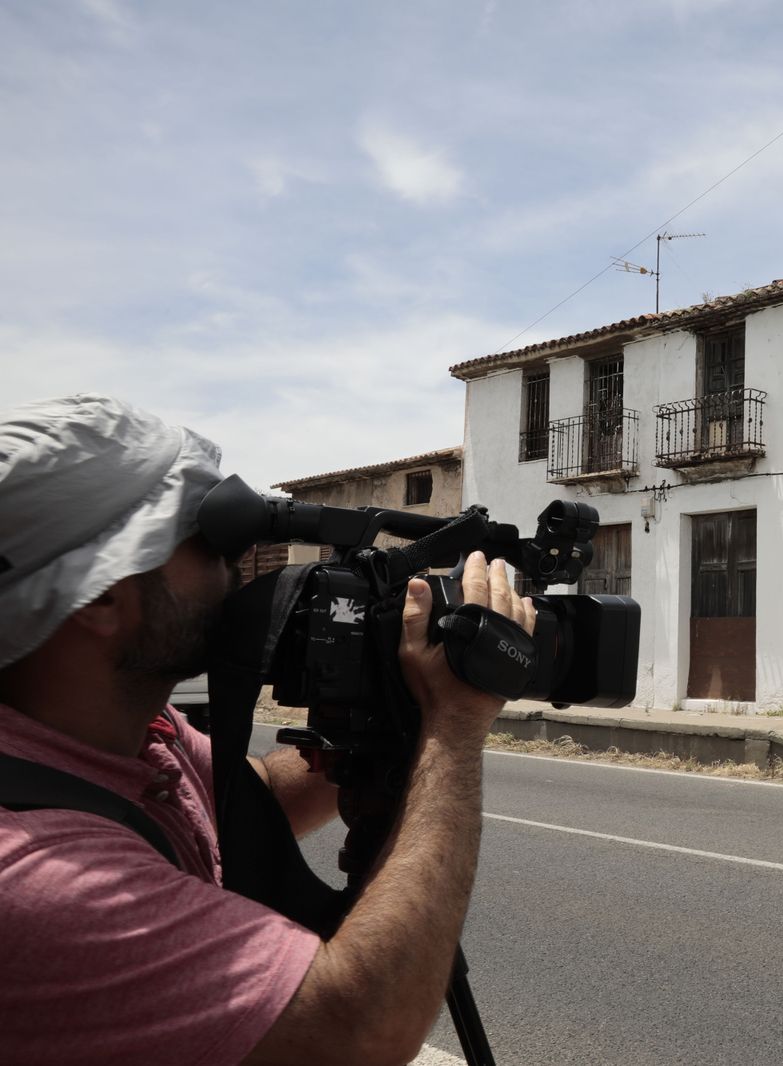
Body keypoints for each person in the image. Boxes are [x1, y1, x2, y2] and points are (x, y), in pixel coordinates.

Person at [0, 394, 533, 1065]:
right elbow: (359, 1033)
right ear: (103, 597)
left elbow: (245, 794)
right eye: (207, 540)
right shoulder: (41, 871)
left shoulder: (114, 737)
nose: (235, 565)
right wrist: (454, 728)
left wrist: (386, 699)